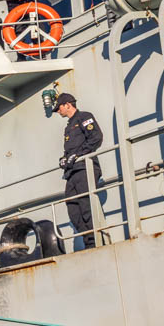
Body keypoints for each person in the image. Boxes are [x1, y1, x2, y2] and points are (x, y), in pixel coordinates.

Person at [56, 93, 105, 249]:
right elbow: (71, 150)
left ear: (68, 105)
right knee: (73, 208)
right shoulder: (68, 127)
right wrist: (64, 158)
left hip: (85, 168)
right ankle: (88, 241)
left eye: (59, 107)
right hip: (72, 172)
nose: (58, 111)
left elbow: (96, 137)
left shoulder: (84, 117)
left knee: (86, 206)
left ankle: (95, 242)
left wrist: (79, 154)